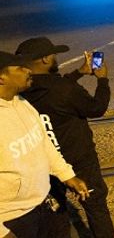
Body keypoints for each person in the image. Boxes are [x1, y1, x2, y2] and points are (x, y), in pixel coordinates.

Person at [15, 37, 114, 238]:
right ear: (44, 59)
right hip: (79, 160)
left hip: (46, 162)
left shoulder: (21, 91)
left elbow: (52, 87)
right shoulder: (65, 90)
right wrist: (102, 80)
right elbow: (96, 108)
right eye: (53, 55)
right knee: (95, 206)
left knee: (56, 210)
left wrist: (78, 73)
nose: (56, 58)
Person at [0, 51, 90, 238]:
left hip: (44, 204)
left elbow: (44, 144)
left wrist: (67, 175)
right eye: (20, 68)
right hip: (13, 219)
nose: (28, 70)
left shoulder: (22, 103)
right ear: (2, 78)